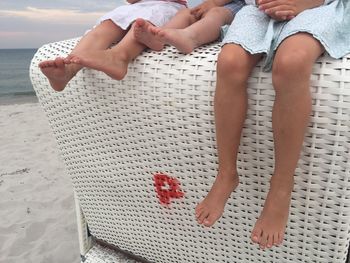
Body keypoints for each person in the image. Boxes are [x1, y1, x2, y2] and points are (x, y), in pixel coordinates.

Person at [195, 0, 349, 250]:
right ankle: (226, 173)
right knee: (229, 62)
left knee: (292, 62)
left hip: (320, 6)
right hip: (261, 9)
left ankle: (281, 186)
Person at [38, 0, 187, 91]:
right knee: (105, 27)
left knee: (142, 26)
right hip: (137, 7)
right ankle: (69, 68)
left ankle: (119, 57)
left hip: (168, 7)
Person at [133, 0, 246, 54]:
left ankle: (190, 37)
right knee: (187, 13)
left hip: (239, 6)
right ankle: (158, 36)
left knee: (216, 14)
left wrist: (213, 3)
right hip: (213, 4)